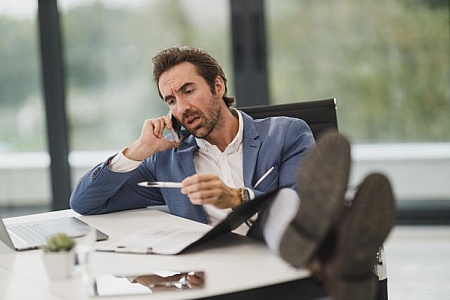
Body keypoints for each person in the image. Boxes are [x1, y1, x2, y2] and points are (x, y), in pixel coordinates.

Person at [70, 46, 395, 300]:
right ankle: (340, 258)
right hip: (217, 279)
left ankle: (332, 249)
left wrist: (236, 197)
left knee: (292, 210)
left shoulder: (285, 134)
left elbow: (303, 202)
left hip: (279, 263)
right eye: (170, 100)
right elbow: (86, 201)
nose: (181, 108)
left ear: (217, 85)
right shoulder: (168, 161)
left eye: (188, 90)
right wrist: (137, 151)